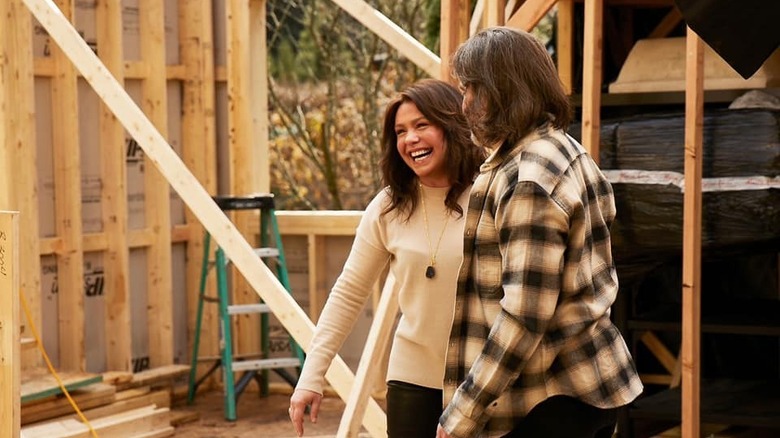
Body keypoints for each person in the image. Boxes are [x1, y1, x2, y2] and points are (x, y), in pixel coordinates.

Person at [436, 27, 643, 438]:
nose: (464, 105)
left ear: (502, 90)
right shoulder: (566, 149)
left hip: (546, 400)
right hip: (585, 387)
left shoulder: (527, 178)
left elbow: (524, 315)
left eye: (470, 89)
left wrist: (463, 412)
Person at [289, 78, 485, 438]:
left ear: (451, 126)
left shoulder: (492, 195)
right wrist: (311, 376)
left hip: (483, 379)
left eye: (421, 125)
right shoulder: (388, 207)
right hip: (412, 380)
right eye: (400, 131)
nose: (410, 139)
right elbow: (348, 292)